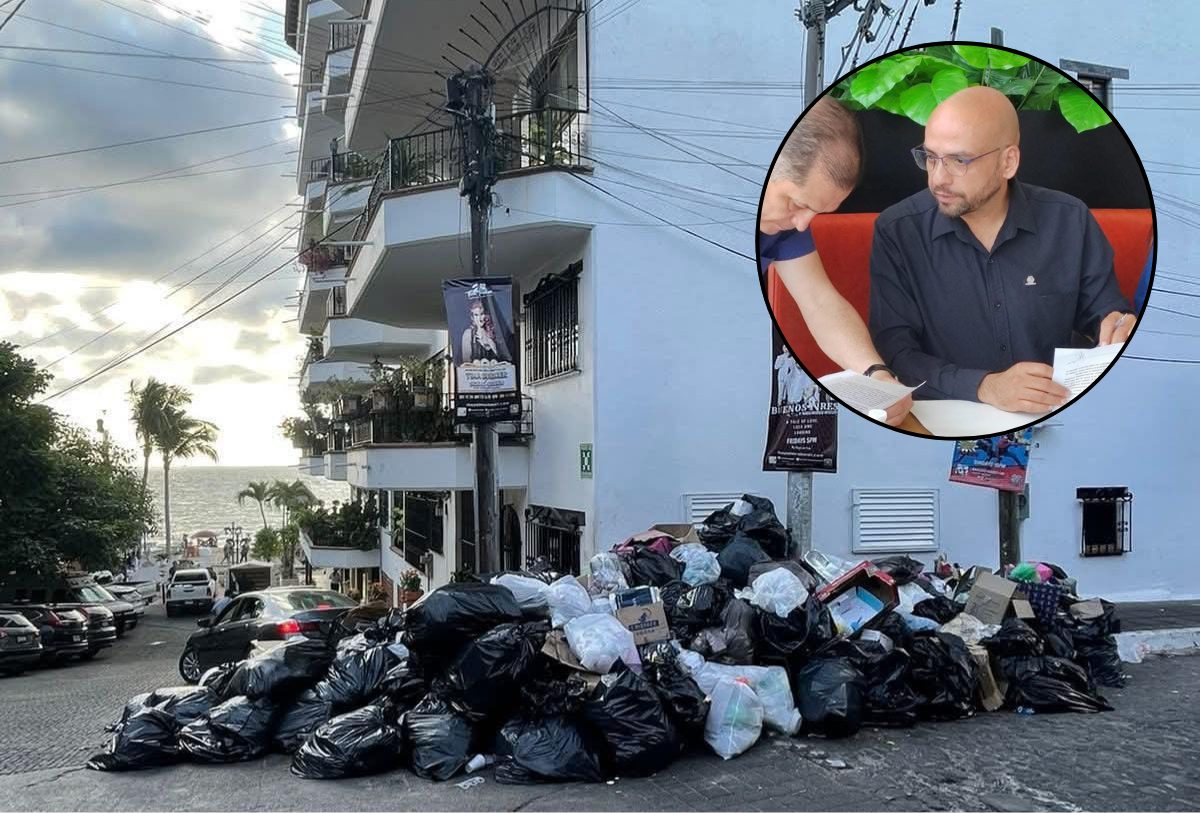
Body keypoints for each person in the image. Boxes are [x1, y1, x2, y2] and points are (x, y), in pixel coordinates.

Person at [869, 86, 1136, 413]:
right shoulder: (899, 230)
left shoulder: (1069, 219)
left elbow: (1105, 312)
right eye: (930, 157)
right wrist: (983, 386)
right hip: (946, 417)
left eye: (958, 160)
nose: (938, 179)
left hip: (1056, 409)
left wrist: (1118, 324)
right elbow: (896, 352)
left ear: (1008, 162)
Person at [760, 96, 912, 427]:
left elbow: (820, 302)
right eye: (796, 203)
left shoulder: (785, 225)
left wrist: (876, 375)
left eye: (817, 212)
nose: (802, 224)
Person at [460, 299, 512, 364]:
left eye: (482, 314)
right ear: (472, 317)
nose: (479, 319)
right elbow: (466, 362)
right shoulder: (468, 334)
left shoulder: (492, 334)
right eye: (476, 315)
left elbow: (501, 357)